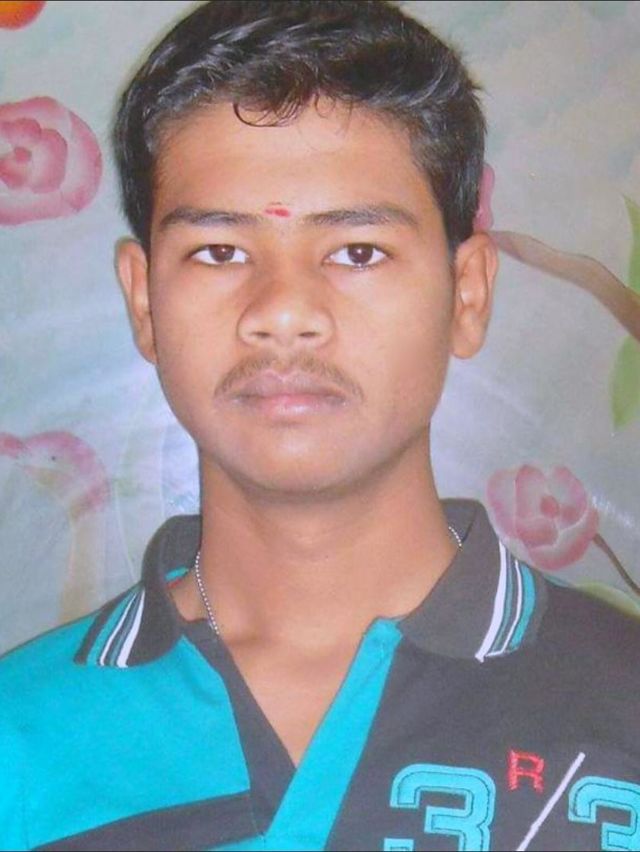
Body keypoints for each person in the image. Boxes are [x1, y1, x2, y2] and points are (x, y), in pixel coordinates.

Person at [1, 2, 639, 850]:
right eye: (220, 253)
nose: (284, 312)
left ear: (468, 294)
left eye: (358, 252)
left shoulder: (623, 704)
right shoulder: (19, 740)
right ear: (144, 301)